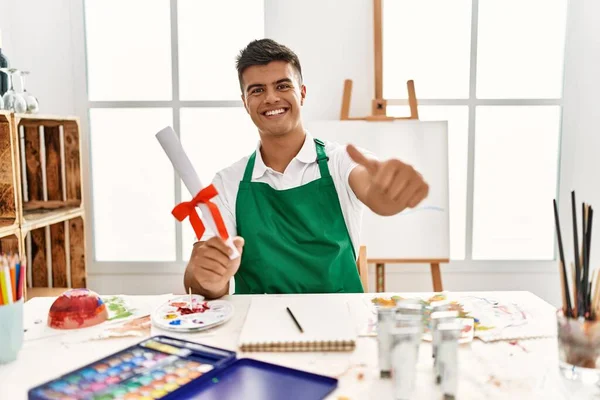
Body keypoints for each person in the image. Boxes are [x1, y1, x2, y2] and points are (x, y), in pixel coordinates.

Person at [184, 39, 428, 298]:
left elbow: (376, 194)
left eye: (282, 85)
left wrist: (391, 191)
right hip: (258, 328)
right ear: (245, 102)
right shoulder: (227, 182)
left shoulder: (340, 161)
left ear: (301, 92)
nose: (271, 98)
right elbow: (197, 284)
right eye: (257, 90)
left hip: (341, 323)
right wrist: (208, 278)